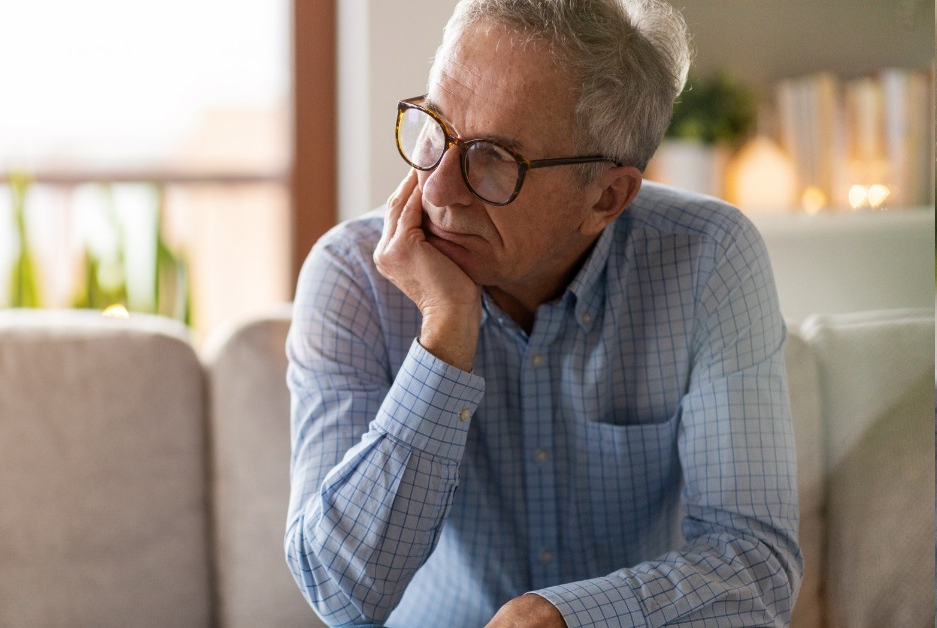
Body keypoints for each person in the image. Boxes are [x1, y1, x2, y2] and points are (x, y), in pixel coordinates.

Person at [284, 0, 801, 625]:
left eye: (493, 159)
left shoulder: (709, 257)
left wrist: (564, 619)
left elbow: (756, 566)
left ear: (606, 197)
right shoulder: (351, 275)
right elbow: (341, 594)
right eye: (434, 127)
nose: (438, 189)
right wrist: (444, 335)